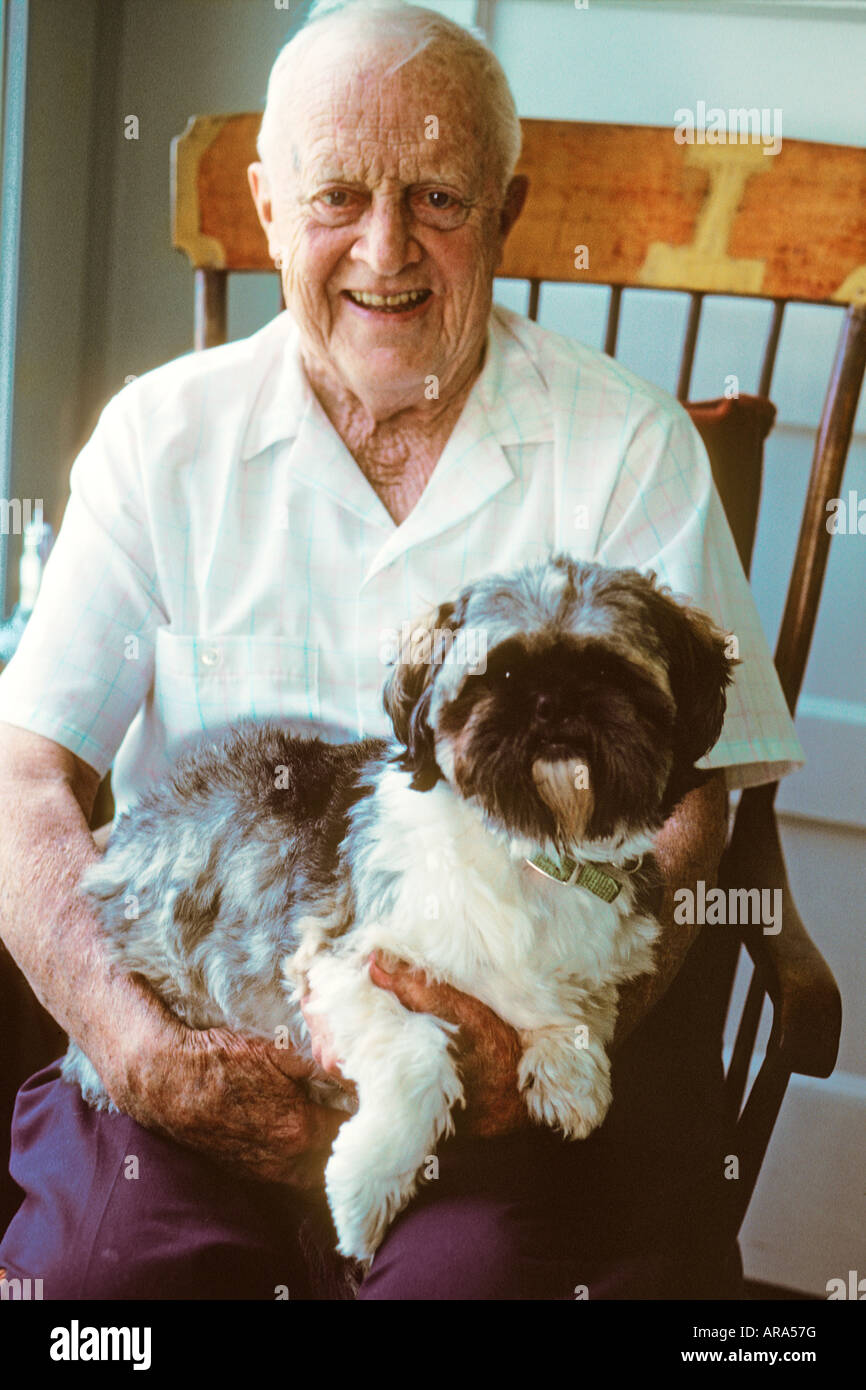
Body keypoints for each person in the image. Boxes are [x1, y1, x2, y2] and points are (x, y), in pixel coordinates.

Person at [0, 0, 802, 1300]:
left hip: (503, 1045)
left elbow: (699, 798)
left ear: (506, 207)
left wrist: (556, 1022)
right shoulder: (161, 437)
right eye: (337, 198)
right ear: (267, 210)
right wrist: (132, 1043)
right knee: (101, 1288)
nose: (386, 249)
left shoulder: (626, 448)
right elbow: (23, 775)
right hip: (205, 1027)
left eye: (435, 196)